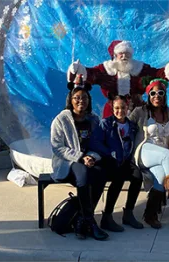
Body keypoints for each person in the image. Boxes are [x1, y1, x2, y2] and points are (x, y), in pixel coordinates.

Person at [128, 78, 169, 229]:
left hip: (162, 157)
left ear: (165, 95)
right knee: (168, 155)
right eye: (153, 93)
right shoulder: (140, 112)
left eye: (160, 93)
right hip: (144, 151)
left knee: (161, 179)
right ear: (148, 96)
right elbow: (124, 123)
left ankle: (150, 215)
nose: (156, 96)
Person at [51, 77, 108, 240]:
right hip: (69, 162)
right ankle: (90, 222)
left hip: (88, 159)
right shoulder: (61, 120)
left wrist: (92, 156)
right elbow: (57, 147)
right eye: (77, 98)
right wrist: (81, 157)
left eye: (84, 97)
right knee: (83, 174)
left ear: (88, 100)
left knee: (101, 172)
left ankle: (82, 220)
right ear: (71, 100)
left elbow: (98, 143)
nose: (80, 101)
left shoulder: (93, 119)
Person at [67, 40, 169, 118]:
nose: (124, 56)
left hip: (137, 110)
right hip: (113, 110)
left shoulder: (139, 68)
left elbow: (158, 73)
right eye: (121, 54)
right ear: (115, 55)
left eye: (127, 54)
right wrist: (77, 70)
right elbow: (90, 74)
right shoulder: (106, 69)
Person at [89, 95, 145, 232]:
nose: (120, 111)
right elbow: (96, 142)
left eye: (123, 108)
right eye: (117, 108)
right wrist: (109, 152)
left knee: (137, 176)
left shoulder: (131, 125)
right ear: (112, 109)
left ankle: (128, 213)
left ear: (128, 108)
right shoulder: (106, 123)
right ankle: (107, 216)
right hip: (110, 160)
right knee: (118, 178)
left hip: (125, 160)